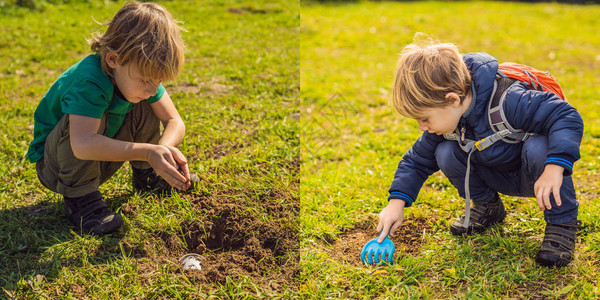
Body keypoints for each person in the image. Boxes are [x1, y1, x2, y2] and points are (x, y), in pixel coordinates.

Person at [376, 38, 583, 267]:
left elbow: (566, 116)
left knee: (540, 148)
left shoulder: (510, 99)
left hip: (538, 176)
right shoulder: (447, 122)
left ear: (452, 100)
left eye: (424, 118)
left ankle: (561, 226)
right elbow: (416, 161)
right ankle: (488, 207)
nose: (422, 127)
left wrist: (555, 167)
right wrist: (396, 203)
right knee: (445, 152)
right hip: (496, 174)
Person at [27, 1, 197, 235]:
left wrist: (162, 152)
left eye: (158, 82)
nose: (152, 88)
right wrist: (147, 151)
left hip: (97, 156)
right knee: (88, 119)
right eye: (146, 80)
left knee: (145, 103)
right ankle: (82, 201)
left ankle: (146, 176)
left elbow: (174, 121)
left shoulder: (141, 78)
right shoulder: (90, 80)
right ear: (113, 60)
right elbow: (83, 143)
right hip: (57, 164)